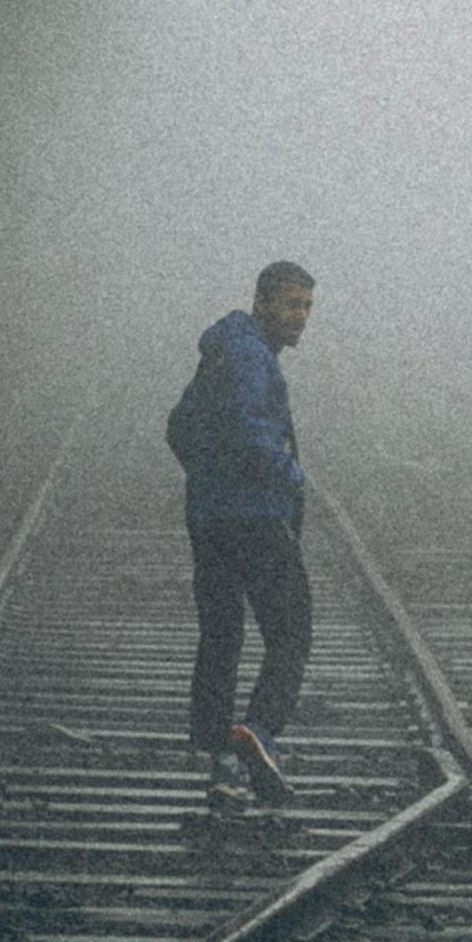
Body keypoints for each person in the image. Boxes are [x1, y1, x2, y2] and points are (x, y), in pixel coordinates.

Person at [168, 259, 316, 814]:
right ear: (261, 303)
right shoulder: (253, 362)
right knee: (292, 632)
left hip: (209, 521)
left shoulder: (223, 352)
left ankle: (222, 765)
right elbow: (252, 438)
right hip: (257, 521)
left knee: (221, 636)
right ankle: (259, 730)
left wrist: (208, 482)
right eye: (289, 305)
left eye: (305, 307)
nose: (299, 318)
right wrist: (291, 477)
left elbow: (178, 426)